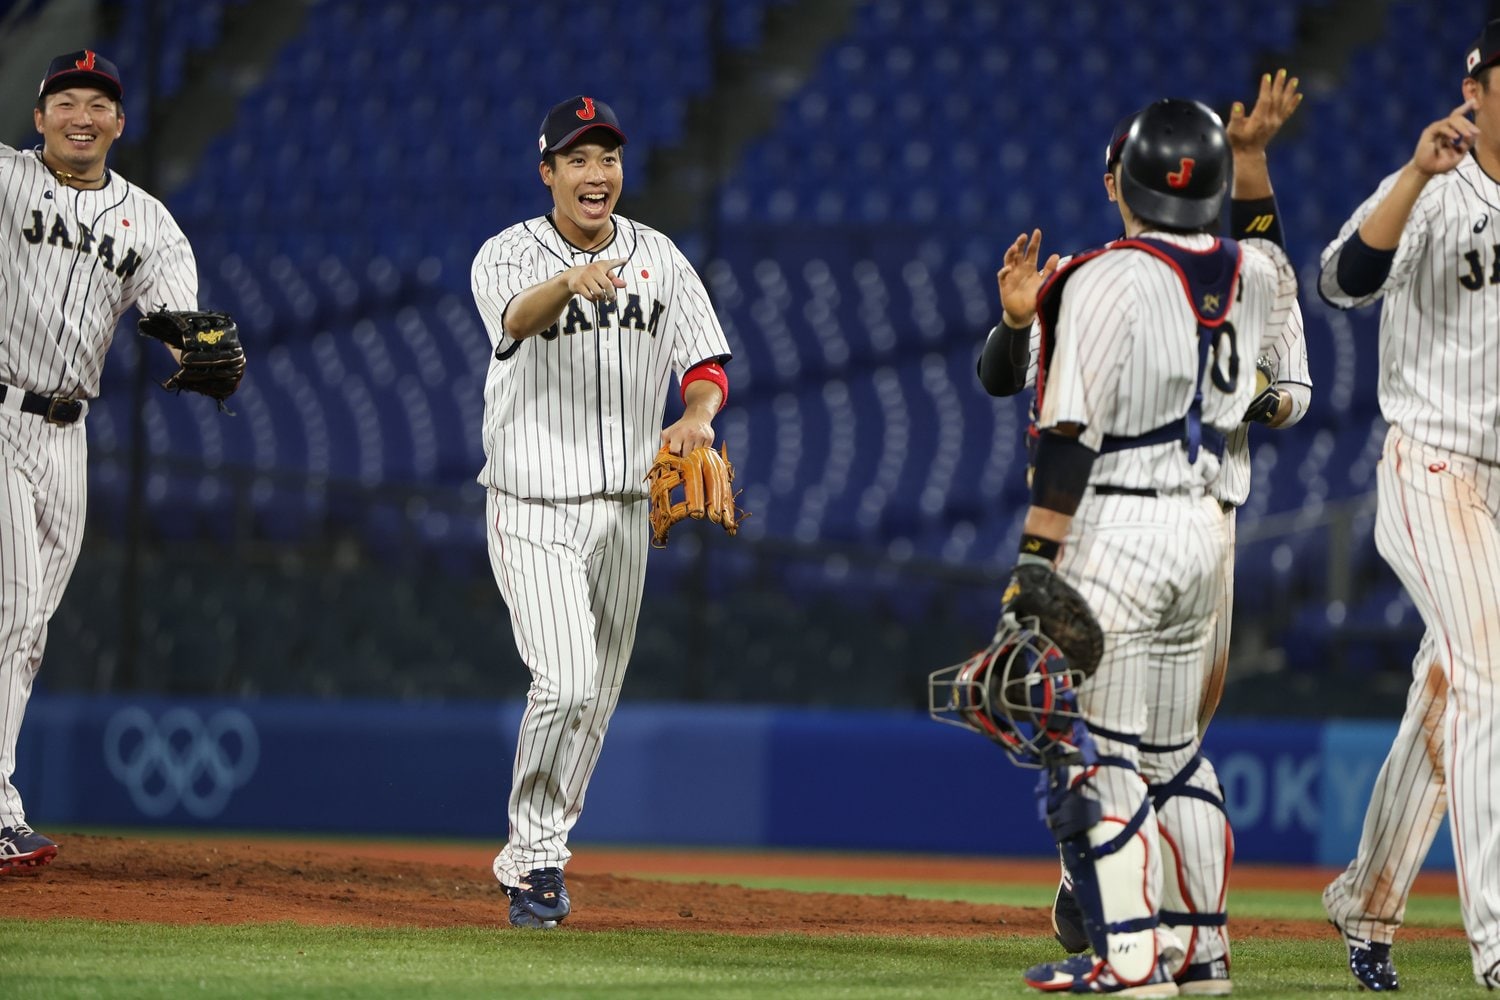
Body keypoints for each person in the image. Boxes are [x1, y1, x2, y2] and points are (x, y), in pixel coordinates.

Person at [980, 74, 1310, 994]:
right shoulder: (1258, 274)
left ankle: (1128, 958)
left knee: (1104, 751)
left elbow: (1067, 437)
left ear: (1124, 179)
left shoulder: (1099, 276)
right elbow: (1263, 249)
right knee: (1177, 759)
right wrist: (1253, 171)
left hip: (1118, 519)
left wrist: (1035, 563)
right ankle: (1202, 954)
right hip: (1202, 527)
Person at [470, 95, 732, 929]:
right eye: (579, 158)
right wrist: (567, 282)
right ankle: (531, 859)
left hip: (624, 513)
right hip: (532, 502)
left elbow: (705, 361)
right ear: (547, 172)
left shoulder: (659, 256)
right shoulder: (507, 255)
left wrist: (696, 416)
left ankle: (546, 853)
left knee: (598, 697)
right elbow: (513, 319)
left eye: (608, 157)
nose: (597, 173)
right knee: (566, 678)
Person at [0, 51, 230, 875]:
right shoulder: (7, 181)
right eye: (65, 100)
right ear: (39, 117)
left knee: (28, 634)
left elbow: (181, 317)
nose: (81, 115)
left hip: (68, 434)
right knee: (14, 606)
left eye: (98, 103)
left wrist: (203, 350)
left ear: (119, 123)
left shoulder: (149, 221)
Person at [1317, 19, 1500, 991]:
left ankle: (1369, 899)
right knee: (1489, 679)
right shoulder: (1433, 186)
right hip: (1434, 466)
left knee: (1451, 690)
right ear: (1477, 85)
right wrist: (1416, 179)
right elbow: (1338, 282)